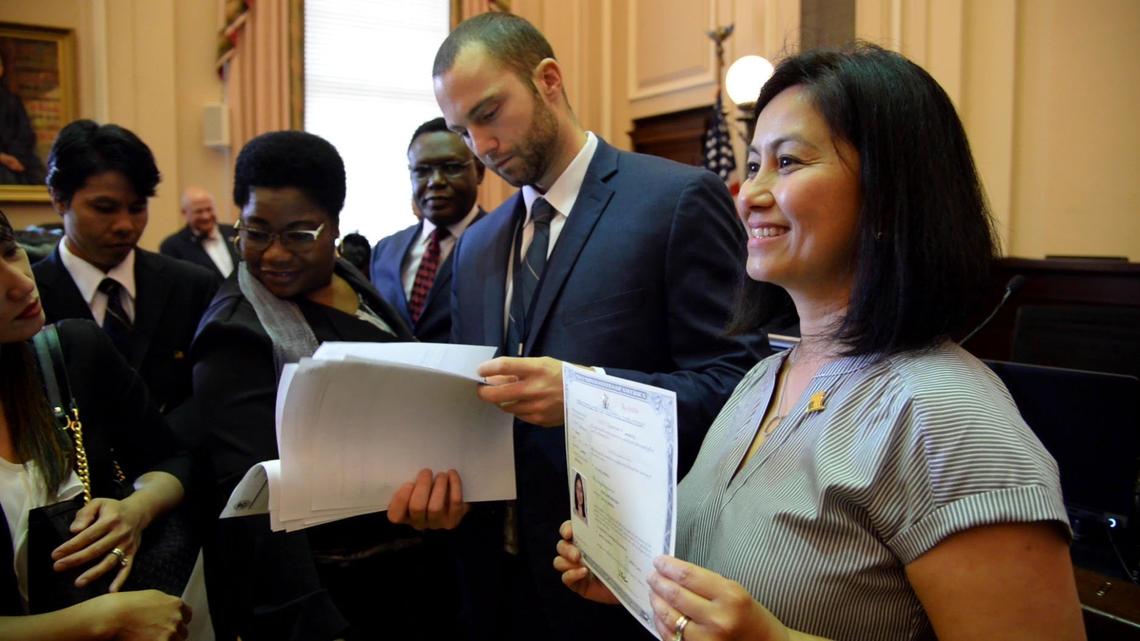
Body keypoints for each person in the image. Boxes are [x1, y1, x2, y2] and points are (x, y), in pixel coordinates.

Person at [555, 44, 1085, 641]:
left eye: (789, 162)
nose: (748, 194)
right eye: (754, 165)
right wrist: (638, 579)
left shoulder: (947, 419)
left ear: (889, 196)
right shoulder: (764, 377)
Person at [432, 12, 770, 640]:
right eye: (463, 130)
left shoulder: (676, 201)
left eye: (489, 113)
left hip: (616, 580)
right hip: (488, 581)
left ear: (549, 80)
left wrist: (586, 393)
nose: (481, 146)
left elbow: (740, 392)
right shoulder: (476, 247)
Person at [190, 130, 466, 641]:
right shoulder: (237, 335)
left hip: (410, 572)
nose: (273, 254)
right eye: (255, 232)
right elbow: (253, 504)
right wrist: (315, 624)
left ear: (335, 227)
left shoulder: (348, 277)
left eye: (297, 235)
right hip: (332, 597)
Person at [0, 210, 191, 639]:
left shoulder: (72, 351)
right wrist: (103, 619)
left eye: (11, 252)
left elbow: (172, 460)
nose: (20, 283)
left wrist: (135, 510)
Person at [32, 120, 220, 415]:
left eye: (137, 208)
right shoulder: (27, 297)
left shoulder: (192, 287)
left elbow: (209, 398)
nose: (125, 225)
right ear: (58, 199)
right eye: (104, 209)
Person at [371, 117, 486, 343]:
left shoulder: (506, 242)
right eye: (422, 171)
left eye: (451, 168)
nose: (435, 181)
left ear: (479, 171)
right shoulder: (385, 251)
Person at [159, 186, 239, 279]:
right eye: (199, 211)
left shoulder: (234, 232)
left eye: (209, 209)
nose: (206, 216)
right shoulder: (172, 246)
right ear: (184, 213)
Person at [0, 51, 47, 186]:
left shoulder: (12, 100)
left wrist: (16, 156)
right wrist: (3, 158)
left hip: (18, 159)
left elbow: (26, 133)